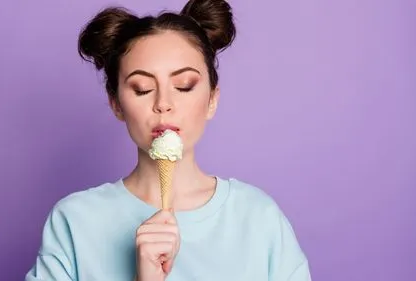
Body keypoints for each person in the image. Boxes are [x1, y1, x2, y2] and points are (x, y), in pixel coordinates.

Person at [25, 0, 311, 280]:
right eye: (142, 88)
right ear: (116, 104)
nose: (163, 103)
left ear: (212, 99)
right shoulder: (75, 221)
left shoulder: (258, 218)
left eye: (183, 86)